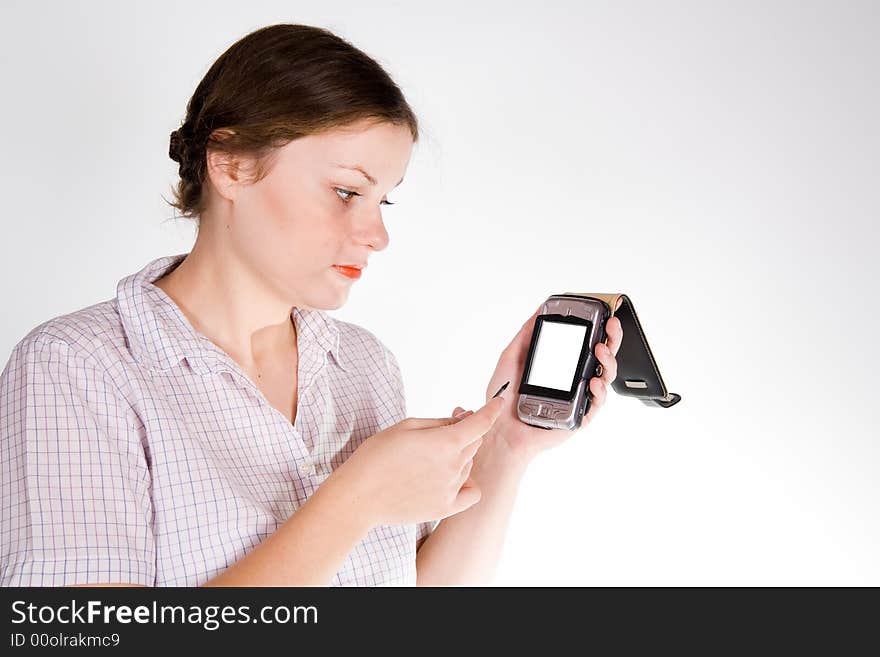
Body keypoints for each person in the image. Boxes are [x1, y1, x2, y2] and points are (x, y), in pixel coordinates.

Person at [0, 23, 622, 587]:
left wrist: (507, 448)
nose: (377, 235)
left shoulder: (364, 366)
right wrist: (354, 500)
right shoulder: (77, 369)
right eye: (346, 191)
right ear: (232, 165)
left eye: (384, 200)